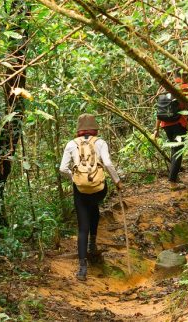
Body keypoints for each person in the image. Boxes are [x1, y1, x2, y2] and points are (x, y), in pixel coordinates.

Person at [59, 113, 122, 281]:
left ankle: (82, 268)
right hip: (99, 187)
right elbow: (107, 164)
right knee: (94, 206)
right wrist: (117, 181)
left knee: (82, 226)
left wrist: (75, 179)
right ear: (94, 128)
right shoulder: (100, 142)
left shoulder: (71, 144)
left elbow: (62, 169)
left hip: (80, 189)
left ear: (79, 129)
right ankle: (92, 242)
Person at [153, 71, 188, 184]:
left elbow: (159, 110)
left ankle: (173, 176)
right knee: (178, 152)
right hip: (179, 123)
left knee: (174, 150)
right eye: (186, 75)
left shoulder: (164, 89)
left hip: (165, 124)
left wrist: (156, 129)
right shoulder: (186, 88)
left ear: (174, 77)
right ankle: (172, 182)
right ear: (184, 76)